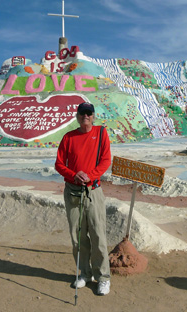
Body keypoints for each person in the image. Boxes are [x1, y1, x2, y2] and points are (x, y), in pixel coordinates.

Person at [55, 102, 112, 296]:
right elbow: (59, 164)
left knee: (98, 235)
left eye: (89, 113)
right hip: (73, 191)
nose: (85, 116)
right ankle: (85, 273)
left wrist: (91, 175)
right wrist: (74, 175)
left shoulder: (101, 133)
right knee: (78, 237)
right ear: (77, 116)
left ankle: (103, 277)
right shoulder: (68, 137)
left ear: (93, 116)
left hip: (93, 190)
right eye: (82, 113)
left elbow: (106, 160)